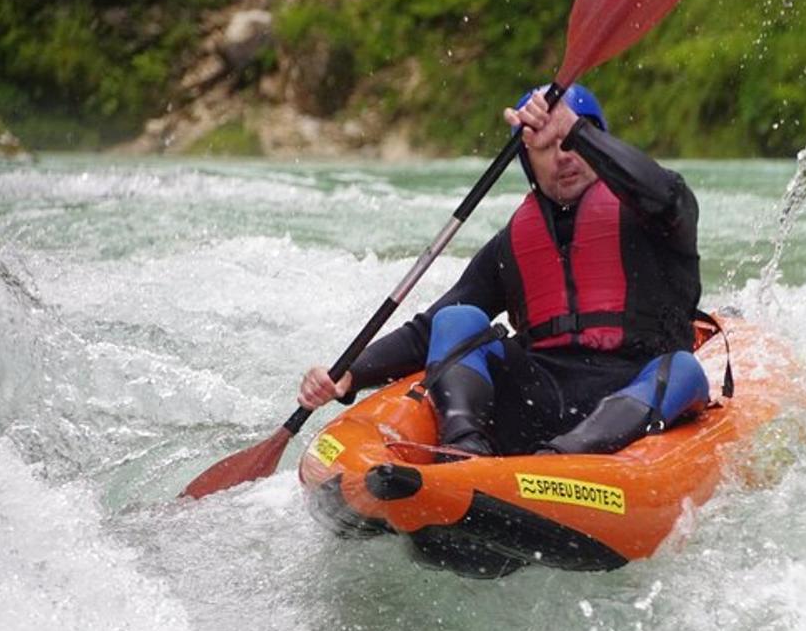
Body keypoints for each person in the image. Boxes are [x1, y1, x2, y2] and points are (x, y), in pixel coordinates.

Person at [297, 84, 710, 457]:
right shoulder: (512, 243)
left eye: (572, 140)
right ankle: (463, 446)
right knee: (458, 319)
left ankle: (562, 460)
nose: (563, 155)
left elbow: (666, 194)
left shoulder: (658, 217)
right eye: (546, 146)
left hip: (633, 392)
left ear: (599, 141)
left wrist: (576, 129)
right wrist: (351, 373)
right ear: (527, 161)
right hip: (539, 396)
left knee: (684, 370)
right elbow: (430, 332)